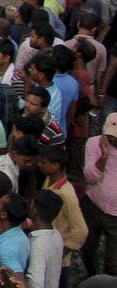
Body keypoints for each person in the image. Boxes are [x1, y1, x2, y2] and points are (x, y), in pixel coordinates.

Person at [38, 144, 88, 260]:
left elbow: (81, 230)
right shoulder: (48, 179)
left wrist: (60, 254)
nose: (39, 165)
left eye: (43, 162)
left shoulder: (66, 194)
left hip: (57, 258)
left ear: (55, 166)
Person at [82, 113, 117, 276]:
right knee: (87, 250)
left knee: (113, 261)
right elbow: (90, 176)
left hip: (115, 215)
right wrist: (104, 156)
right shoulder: (94, 143)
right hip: (93, 205)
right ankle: (93, 277)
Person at [24, 190, 65, 288]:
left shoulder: (37, 245)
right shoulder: (56, 235)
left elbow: (35, 283)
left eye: (32, 204)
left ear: (35, 210)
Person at [0, 193, 32, 273]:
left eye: (0, 202)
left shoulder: (6, 250)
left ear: (3, 215)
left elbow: (18, 281)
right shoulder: (15, 231)